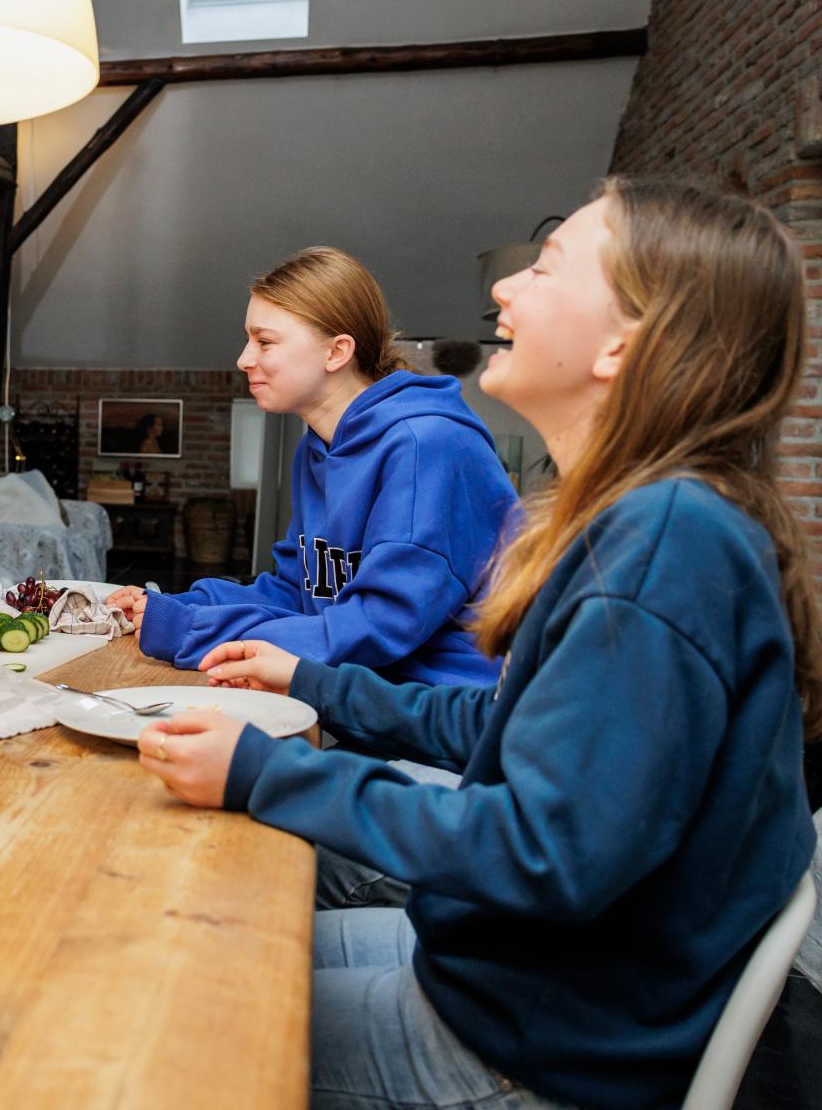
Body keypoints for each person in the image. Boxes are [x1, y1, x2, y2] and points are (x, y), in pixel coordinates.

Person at [138, 180, 820, 1110]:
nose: (502, 293)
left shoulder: (668, 546)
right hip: (504, 971)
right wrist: (316, 684)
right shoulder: (647, 519)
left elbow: (544, 849)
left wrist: (266, 772)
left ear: (624, 345)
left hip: (532, 1038)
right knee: (188, 939)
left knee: (164, 1027)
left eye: (543, 269)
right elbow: (503, 718)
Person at [109, 248, 516, 689]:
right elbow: (298, 594)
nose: (244, 359)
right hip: (360, 692)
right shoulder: (318, 446)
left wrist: (190, 631)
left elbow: (382, 624)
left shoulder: (428, 446)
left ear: (336, 352)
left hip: (445, 720)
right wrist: (173, 606)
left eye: (265, 342)